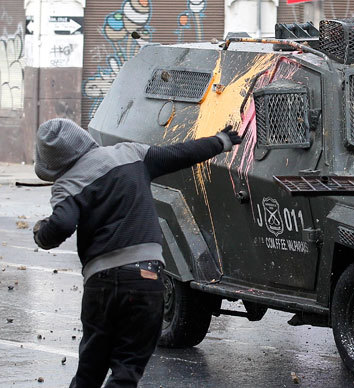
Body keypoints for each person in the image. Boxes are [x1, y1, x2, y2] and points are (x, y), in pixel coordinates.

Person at [32, 118, 241, 387]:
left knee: (89, 372)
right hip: (145, 279)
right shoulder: (130, 154)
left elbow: (60, 225)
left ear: (51, 164)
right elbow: (180, 154)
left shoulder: (68, 184)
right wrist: (220, 141)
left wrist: (41, 233)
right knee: (127, 370)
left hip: (101, 286)